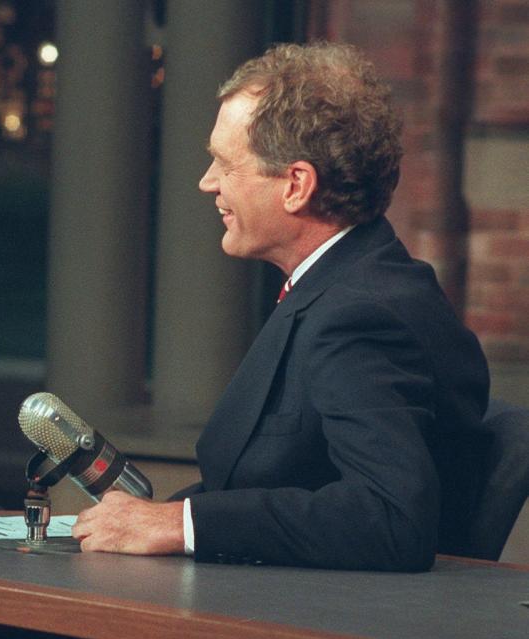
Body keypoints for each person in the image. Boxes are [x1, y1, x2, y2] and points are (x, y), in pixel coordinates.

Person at [72, 42, 490, 571]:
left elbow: (390, 517)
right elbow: (277, 477)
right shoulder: (349, 282)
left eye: (224, 163)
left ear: (296, 185)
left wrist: (180, 524)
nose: (207, 182)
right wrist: (155, 518)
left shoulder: (362, 314)